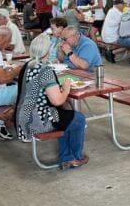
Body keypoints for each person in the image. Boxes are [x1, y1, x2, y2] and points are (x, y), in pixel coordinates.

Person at [15, 33, 88, 169]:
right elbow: (57, 101)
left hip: (22, 117)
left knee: (67, 116)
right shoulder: (45, 70)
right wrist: (66, 88)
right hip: (37, 121)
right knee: (78, 119)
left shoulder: (27, 65)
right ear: (47, 51)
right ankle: (74, 157)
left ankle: (67, 157)